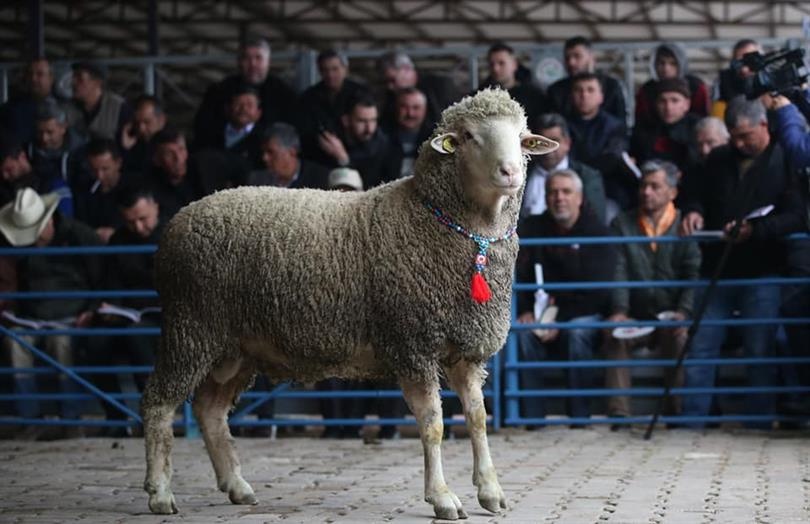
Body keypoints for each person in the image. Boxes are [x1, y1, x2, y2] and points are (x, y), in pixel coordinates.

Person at [679, 96, 807, 428]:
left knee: (759, 349)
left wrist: (757, 229)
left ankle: (758, 421)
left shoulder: (786, 159)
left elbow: (796, 215)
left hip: (762, 268)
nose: (739, 143)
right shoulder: (718, 158)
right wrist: (693, 209)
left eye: (746, 135)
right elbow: (694, 190)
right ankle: (693, 421)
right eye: (734, 135)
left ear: (764, 125)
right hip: (716, 267)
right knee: (701, 348)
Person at [604, 160, 701, 427]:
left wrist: (684, 312)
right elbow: (619, 271)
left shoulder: (685, 224)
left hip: (672, 314)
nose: (647, 192)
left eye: (655, 186)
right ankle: (619, 414)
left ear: (672, 192)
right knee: (616, 336)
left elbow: (693, 272)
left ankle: (676, 413)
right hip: (637, 313)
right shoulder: (622, 223)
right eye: (644, 186)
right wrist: (620, 311)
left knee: (680, 339)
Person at [515, 169, 617, 424]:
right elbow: (519, 274)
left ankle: (579, 417)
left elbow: (598, 293)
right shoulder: (531, 228)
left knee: (577, 332)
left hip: (582, 314)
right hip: (542, 312)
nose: (559, 198)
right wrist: (526, 310)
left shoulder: (598, 233)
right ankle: (532, 419)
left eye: (566, 192)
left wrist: (557, 319)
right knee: (522, 334)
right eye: (552, 192)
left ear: (580, 198)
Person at [0, 188, 103, 439]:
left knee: (61, 343)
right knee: (15, 342)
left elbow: (101, 279)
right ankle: (31, 418)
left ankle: (71, 419)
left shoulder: (80, 236)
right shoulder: (21, 249)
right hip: (31, 316)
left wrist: (90, 311)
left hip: (72, 315)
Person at [89, 186, 163, 436]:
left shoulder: (178, 232)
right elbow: (111, 282)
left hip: (166, 316)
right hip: (127, 313)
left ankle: (153, 417)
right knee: (96, 341)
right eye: (131, 222)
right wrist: (108, 307)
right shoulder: (119, 239)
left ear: (156, 208)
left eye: (144, 219)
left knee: (137, 336)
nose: (139, 228)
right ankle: (116, 417)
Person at [193, 36, 297, 151]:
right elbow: (203, 129)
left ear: (268, 62)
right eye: (246, 58)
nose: (252, 64)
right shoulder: (219, 91)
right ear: (238, 62)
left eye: (258, 58)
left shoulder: (284, 94)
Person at [523, 113, 607, 224]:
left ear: (567, 143)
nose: (548, 148)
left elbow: (596, 219)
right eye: (542, 142)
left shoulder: (588, 176)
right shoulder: (520, 173)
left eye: (554, 141)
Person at [149, 127, 243, 220]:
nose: (178, 158)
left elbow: (241, 167)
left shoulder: (206, 164)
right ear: (156, 160)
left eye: (181, 149)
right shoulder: (152, 192)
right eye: (169, 154)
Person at [296, 49, 368, 163]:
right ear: (319, 71)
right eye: (325, 70)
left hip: (357, 156)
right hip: (318, 157)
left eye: (335, 69)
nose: (330, 75)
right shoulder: (309, 97)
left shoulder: (361, 93)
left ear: (345, 69)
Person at [316, 91, 397, 189]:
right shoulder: (330, 141)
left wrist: (343, 159)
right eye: (362, 121)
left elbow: (365, 188)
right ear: (346, 121)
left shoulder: (384, 146)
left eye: (373, 120)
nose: (369, 129)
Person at [547, 36, 628, 123]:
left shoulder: (611, 86)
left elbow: (620, 124)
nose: (571, 62)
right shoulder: (556, 91)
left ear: (591, 58)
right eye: (567, 58)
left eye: (577, 56)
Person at [26, 100, 86, 216]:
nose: (44, 138)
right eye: (40, 132)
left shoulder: (79, 151)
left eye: (50, 132)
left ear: (63, 128)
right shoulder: (29, 149)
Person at [630, 77, 701, 174]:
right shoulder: (643, 129)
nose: (668, 107)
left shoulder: (698, 129)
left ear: (687, 104)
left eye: (674, 101)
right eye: (662, 101)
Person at [376, 50, 460, 131]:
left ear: (407, 69)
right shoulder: (390, 97)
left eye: (392, 80)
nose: (390, 86)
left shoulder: (440, 86)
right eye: (385, 82)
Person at [635, 42, 711, 128]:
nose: (666, 68)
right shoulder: (646, 90)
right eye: (661, 63)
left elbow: (704, 119)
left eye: (673, 63)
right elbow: (640, 121)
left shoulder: (696, 87)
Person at [0, 58, 71, 145]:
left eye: (39, 74)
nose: (34, 79)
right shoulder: (10, 110)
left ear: (51, 78)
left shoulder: (67, 107)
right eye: (30, 74)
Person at [72, 138, 130, 243]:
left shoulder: (133, 187)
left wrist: (117, 231)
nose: (99, 176)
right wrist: (92, 233)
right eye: (94, 170)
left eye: (105, 169)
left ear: (118, 163)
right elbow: (78, 222)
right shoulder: (83, 190)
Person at [0, 133, 72, 216]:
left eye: (9, 169)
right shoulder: (4, 189)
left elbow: (65, 221)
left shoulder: (53, 182)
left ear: (22, 157)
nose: (5, 176)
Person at [196, 84, 266, 170]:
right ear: (227, 109)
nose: (243, 109)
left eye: (249, 105)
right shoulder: (209, 133)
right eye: (238, 103)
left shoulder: (264, 139)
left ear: (258, 113)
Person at [479, 43, 548, 126]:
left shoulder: (534, 96)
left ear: (514, 64)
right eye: (492, 64)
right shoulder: (480, 97)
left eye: (501, 63)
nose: (495, 69)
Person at [245, 123, 330, 189]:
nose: (264, 158)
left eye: (271, 152)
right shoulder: (257, 180)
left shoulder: (320, 179)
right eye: (264, 152)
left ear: (292, 152)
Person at [70, 61, 131, 141]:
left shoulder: (119, 108)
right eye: (73, 77)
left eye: (80, 78)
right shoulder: (69, 107)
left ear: (97, 82)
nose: (73, 82)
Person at [385, 87, 433, 180]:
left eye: (416, 108)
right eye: (404, 107)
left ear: (425, 110)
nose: (410, 113)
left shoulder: (433, 137)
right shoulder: (382, 137)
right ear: (396, 108)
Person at [712, 39, 762, 118]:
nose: (744, 69)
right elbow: (717, 112)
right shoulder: (723, 79)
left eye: (750, 60)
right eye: (740, 62)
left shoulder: (771, 77)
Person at [120, 94, 167, 175]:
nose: (141, 128)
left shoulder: (172, 144)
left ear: (161, 120)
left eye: (147, 122)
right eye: (137, 123)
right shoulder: (134, 142)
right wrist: (126, 149)